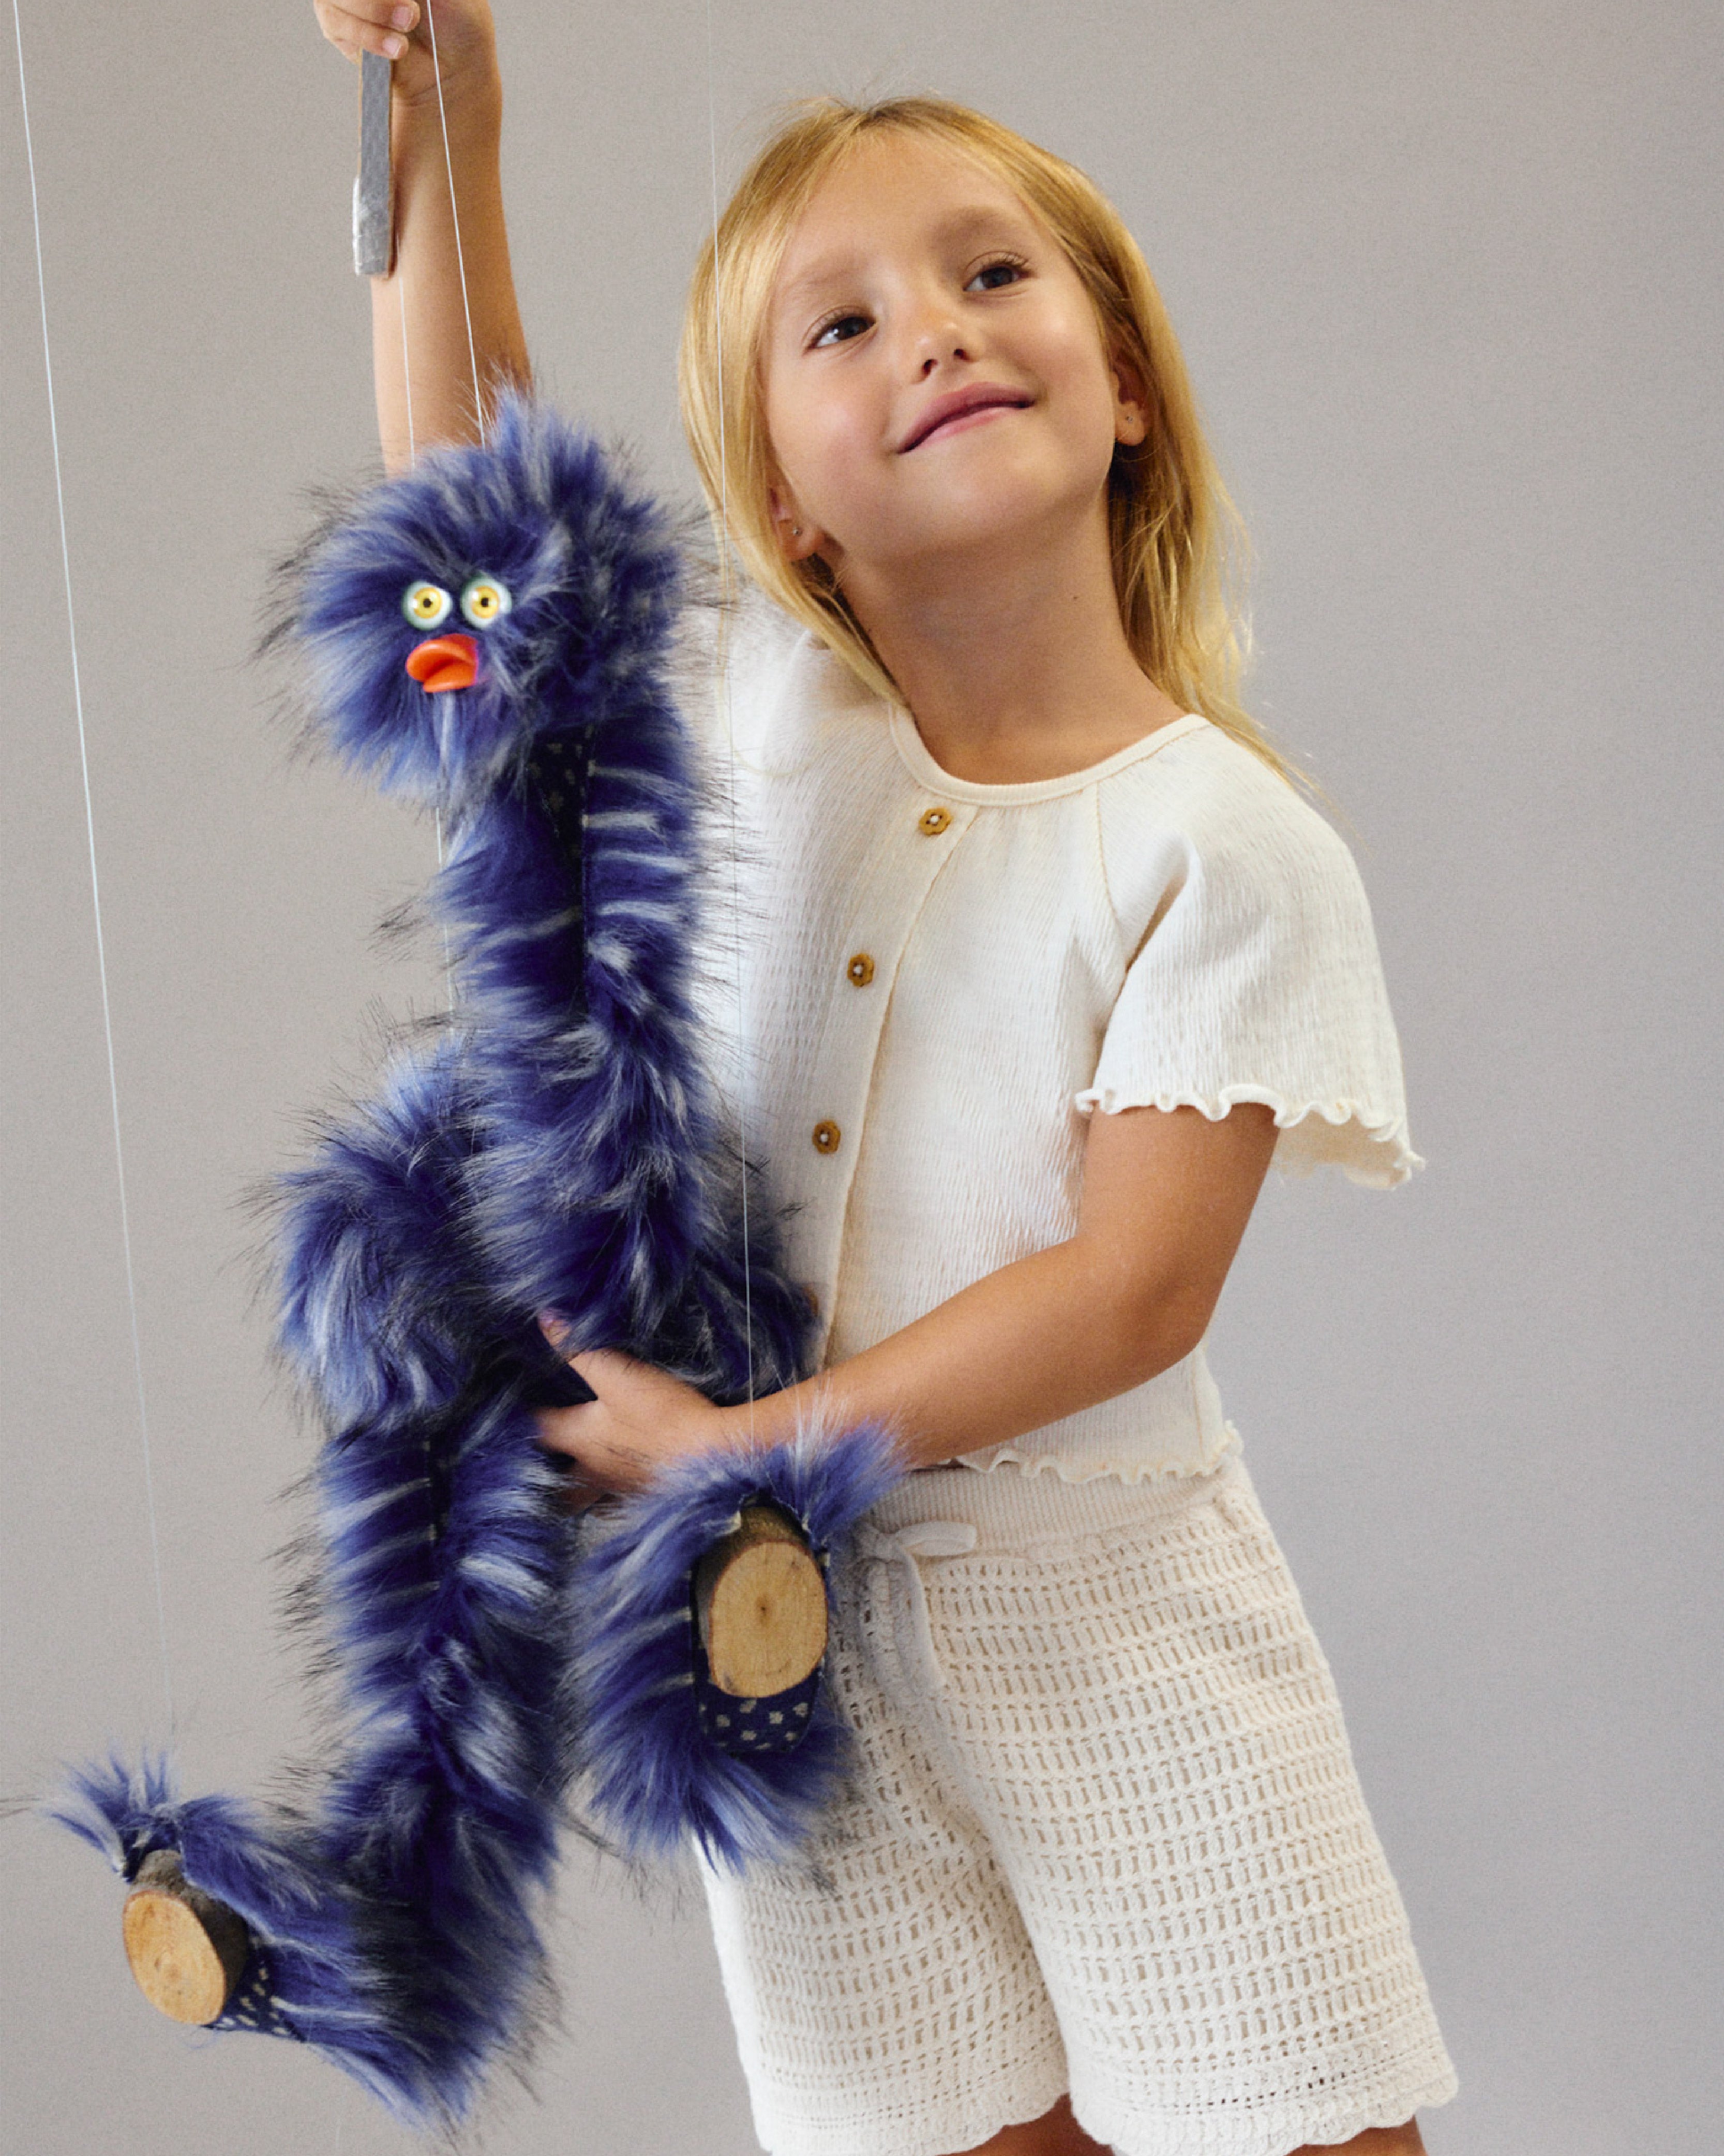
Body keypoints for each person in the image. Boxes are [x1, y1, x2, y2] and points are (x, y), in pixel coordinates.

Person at [313, 7, 1457, 2152]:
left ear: (1127, 384)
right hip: (794, 1649)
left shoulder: (1220, 843)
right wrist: (444, 110)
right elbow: (467, 528)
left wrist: (734, 1447)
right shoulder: (747, 726)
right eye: (838, 324)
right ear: (784, 502)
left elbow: (1131, 1289)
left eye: (994, 272)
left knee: (1293, 2121)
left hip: (1112, 1632)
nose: (934, 329)